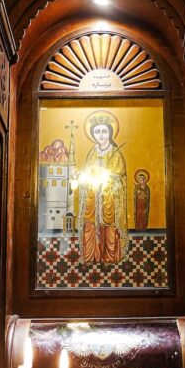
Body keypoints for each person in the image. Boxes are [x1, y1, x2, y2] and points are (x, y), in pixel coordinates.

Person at [78, 111, 128, 263]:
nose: (101, 135)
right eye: (97, 131)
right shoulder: (91, 153)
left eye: (104, 131)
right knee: (90, 225)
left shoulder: (116, 154)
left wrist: (107, 174)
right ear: (92, 134)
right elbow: (86, 175)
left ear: (110, 132)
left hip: (109, 199)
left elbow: (121, 177)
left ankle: (109, 258)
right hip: (93, 198)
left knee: (109, 227)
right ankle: (91, 257)